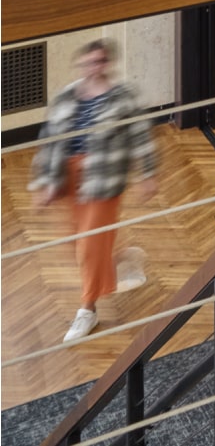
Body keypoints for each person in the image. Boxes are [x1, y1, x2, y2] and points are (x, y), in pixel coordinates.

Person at [29, 39, 158, 344]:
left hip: (104, 179)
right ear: (81, 65)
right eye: (89, 62)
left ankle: (87, 309)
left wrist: (148, 175)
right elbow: (48, 139)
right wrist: (44, 183)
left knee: (88, 247)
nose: (94, 68)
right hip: (70, 178)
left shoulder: (123, 98)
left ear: (108, 64)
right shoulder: (66, 97)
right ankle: (121, 258)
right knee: (79, 245)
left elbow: (141, 137)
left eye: (100, 62)